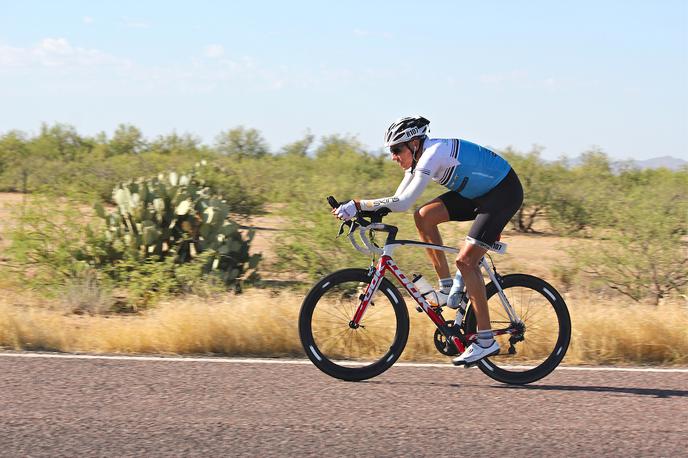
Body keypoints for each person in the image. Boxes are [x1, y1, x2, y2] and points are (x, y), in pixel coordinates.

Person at [332, 116, 524, 365]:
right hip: (478, 194)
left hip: (502, 194)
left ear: (413, 143)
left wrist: (358, 205)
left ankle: (485, 341)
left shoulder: (433, 153)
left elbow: (402, 201)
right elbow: (398, 198)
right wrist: (364, 211)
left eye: (396, 149)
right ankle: (446, 289)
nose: (393, 156)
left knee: (466, 262)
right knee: (423, 217)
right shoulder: (418, 159)